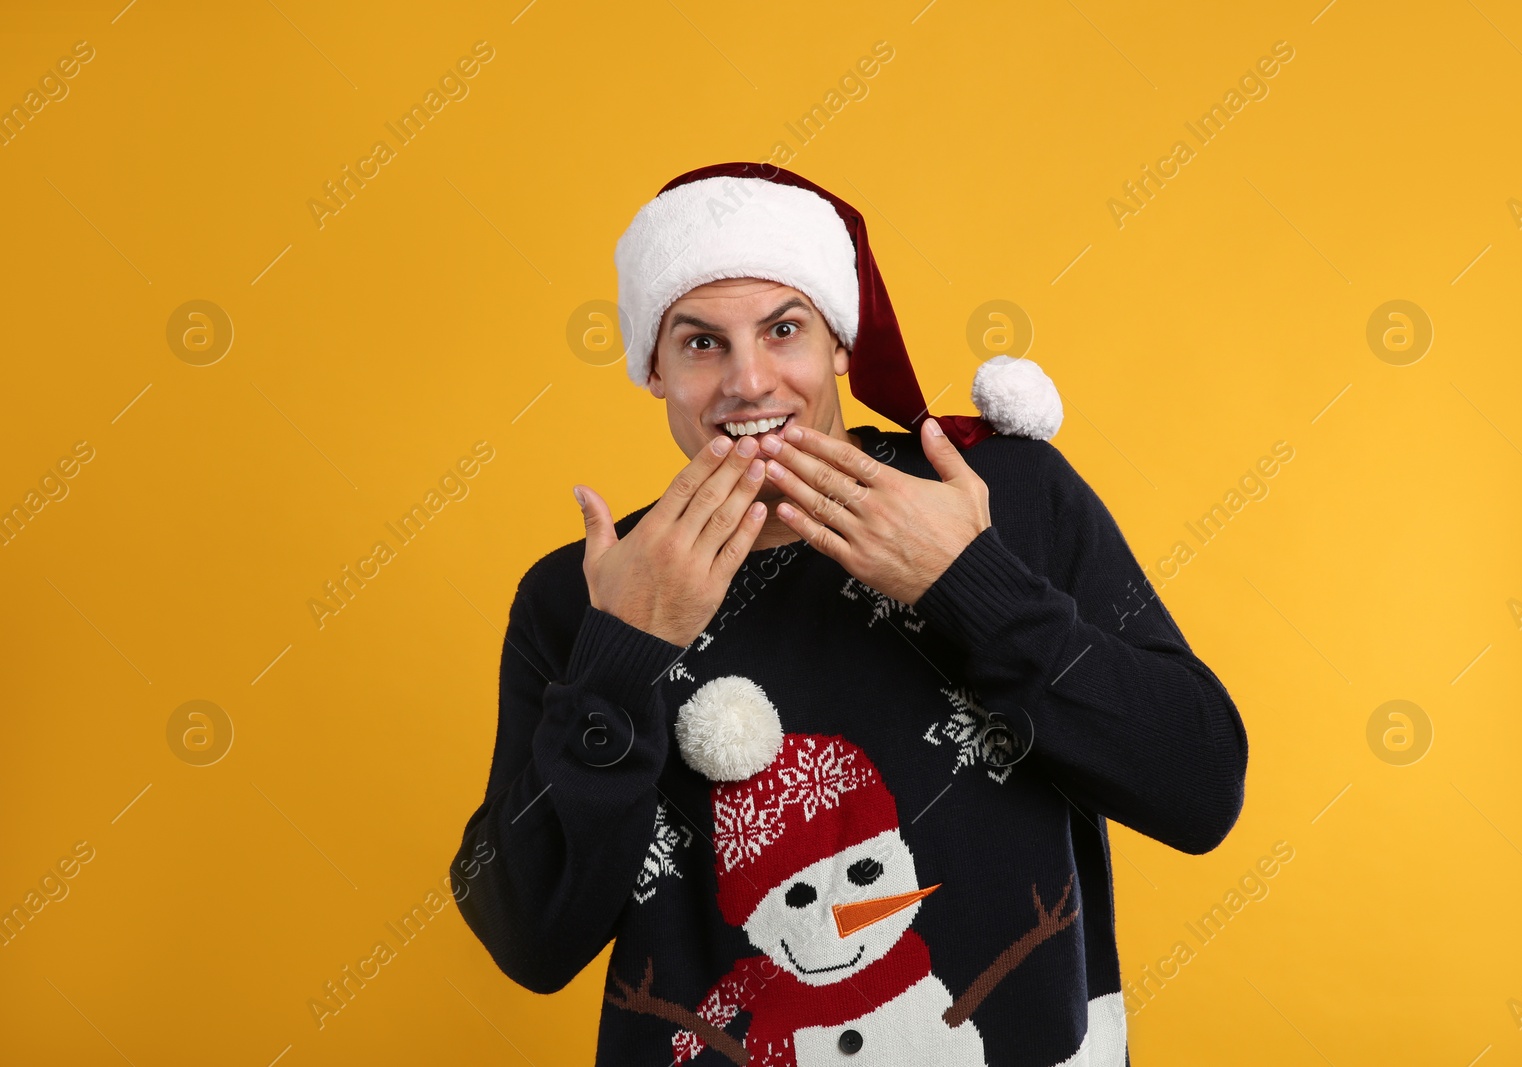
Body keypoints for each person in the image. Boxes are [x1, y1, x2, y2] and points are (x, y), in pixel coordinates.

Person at [451, 162, 1248, 1067]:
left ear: (838, 341)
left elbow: (1199, 784)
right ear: (654, 370)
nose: (749, 382)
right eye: (702, 343)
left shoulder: (1000, 496)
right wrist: (619, 656)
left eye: (783, 329)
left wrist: (972, 584)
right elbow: (528, 940)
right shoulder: (585, 590)